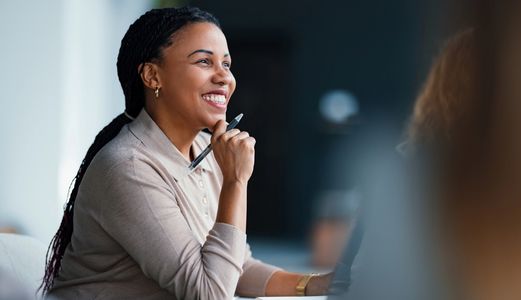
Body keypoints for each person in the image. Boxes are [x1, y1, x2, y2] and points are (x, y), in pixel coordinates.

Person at [41, 7, 331, 300]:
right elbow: (209, 293)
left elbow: (236, 267)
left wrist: (317, 284)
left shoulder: (208, 150)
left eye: (227, 65)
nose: (224, 78)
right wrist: (235, 181)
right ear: (153, 76)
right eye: (204, 61)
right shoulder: (128, 167)